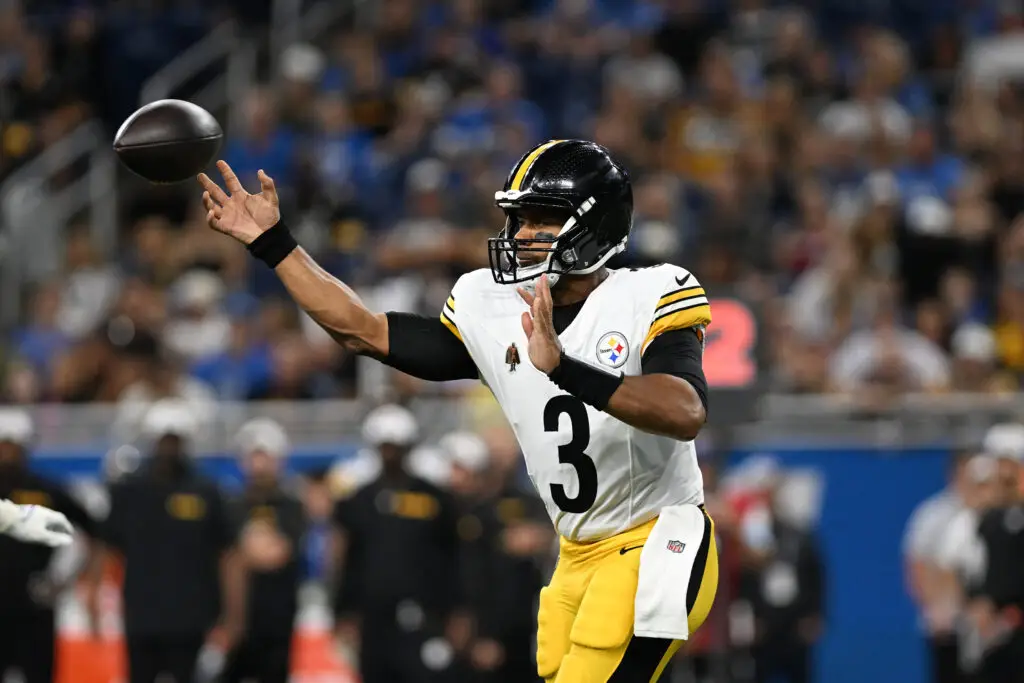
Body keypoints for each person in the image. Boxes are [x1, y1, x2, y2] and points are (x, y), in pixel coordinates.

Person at [199, 138, 717, 681]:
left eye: (540, 219)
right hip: (577, 553)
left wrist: (563, 367)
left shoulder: (653, 291)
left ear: (595, 225)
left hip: (659, 536)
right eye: (517, 220)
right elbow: (363, 330)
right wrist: (274, 243)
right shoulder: (487, 306)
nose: (519, 236)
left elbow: (685, 411)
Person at [99, 399, 245, 683]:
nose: (169, 447)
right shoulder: (129, 491)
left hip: (193, 619)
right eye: (164, 439)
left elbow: (229, 555)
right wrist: (96, 598)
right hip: (141, 617)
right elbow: (108, 550)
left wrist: (233, 617)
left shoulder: (206, 492)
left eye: (175, 439)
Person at [332, 404, 464, 683]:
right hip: (373, 621)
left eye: (396, 445)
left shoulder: (435, 499)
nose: (391, 452)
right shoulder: (359, 500)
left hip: (425, 617)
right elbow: (346, 559)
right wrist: (342, 613)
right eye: (385, 446)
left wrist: (458, 612)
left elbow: (454, 557)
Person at [0, 408, 100, 683]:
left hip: (34, 605)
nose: (9, 453)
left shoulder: (46, 490)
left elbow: (94, 532)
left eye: (14, 446)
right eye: (4, 445)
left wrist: (65, 581)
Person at [443, 430, 551, 683]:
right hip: (483, 628)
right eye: (496, 452)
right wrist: (484, 634)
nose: (503, 458)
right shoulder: (466, 507)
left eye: (508, 452)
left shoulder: (530, 503)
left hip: (527, 624)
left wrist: (543, 537)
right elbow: (470, 576)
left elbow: (554, 535)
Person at [222, 418, 307, 683]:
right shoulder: (230, 504)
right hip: (235, 619)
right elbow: (227, 555)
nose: (259, 465)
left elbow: (277, 553)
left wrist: (244, 553)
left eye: (265, 456)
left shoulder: (291, 505)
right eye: (253, 456)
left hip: (277, 618)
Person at [903, 451, 972, 683]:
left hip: (981, 622)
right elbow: (917, 563)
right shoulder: (933, 514)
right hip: (946, 621)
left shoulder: (988, 511)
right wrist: (936, 609)